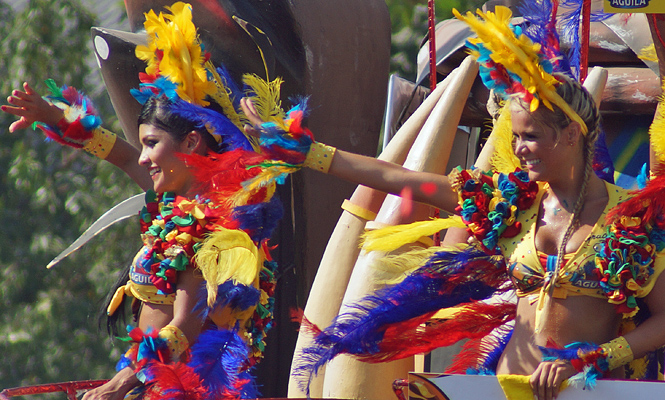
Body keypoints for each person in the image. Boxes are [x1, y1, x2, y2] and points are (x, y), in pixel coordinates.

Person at [241, 6, 665, 400]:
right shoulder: (510, 202)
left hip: (587, 391)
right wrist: (312, 153)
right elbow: (401, 179)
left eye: (530, 136)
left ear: (571, 135)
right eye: (515, 137)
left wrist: (597, 357)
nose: (519, 149)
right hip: (503, 386)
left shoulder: (630, 218)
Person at [1, 3, 296, 399]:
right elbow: (120, 154)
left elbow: (184, 329)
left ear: (191, 143)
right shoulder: (174, 201)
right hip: (150, 382)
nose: (142, 157)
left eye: (152, 144)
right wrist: (54, 117)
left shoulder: (218, 233)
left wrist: (118, 385)